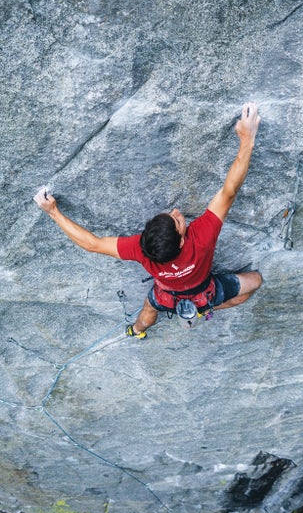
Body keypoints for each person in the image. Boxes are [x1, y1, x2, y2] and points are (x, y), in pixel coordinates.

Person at [34, 102, 262, 338]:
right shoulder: (201, 238)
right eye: (177, 221)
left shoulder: (140, 248)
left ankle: (136, 331)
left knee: (148, 311)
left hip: (166, 295)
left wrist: (53, 212)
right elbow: (229, 191)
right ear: (182, 241)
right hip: (204, 291)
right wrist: (247, 139)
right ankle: (203, 309)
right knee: (253, 283)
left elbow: (91, 244)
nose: (176, 212)